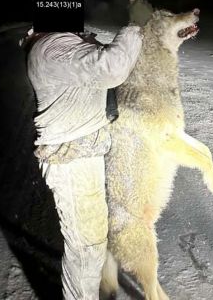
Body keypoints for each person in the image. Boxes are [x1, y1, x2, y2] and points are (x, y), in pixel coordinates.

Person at [22, 25, 143, 299]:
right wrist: (133, 29)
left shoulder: (62, 42)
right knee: (86, 249)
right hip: (72, 161)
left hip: (82, 155)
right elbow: (111, 68)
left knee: (91, 243)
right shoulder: (52, 47)